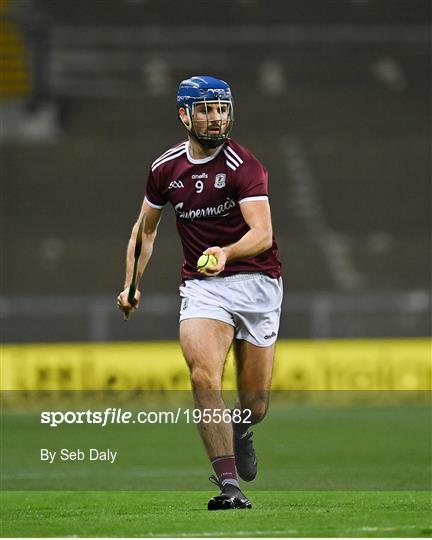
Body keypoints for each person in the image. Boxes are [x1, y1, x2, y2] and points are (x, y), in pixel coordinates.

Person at [117, 75, 282, 510]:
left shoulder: (245, 166)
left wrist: (225, 252)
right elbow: (144, 231)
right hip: (203, 287)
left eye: (222, 109)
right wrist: (132, 285)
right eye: (206, 110)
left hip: (257, 283)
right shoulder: (165, 169)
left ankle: (242, 429)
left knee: (255, 403)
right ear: (184, 115)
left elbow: (262, 234)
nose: (216, 118)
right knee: (203, 376)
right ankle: (229, 485)